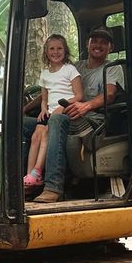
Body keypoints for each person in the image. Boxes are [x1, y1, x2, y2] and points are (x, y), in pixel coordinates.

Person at [23, 25, 125, 204]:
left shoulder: (112, 68)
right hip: (65, 114)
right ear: (88, 44)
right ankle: (26, 183)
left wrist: (85, 106)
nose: (98, 45)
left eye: (104, 42)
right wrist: (24, 109)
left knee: (56, 120)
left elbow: (109, 94)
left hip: (92, 119)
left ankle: (52, 187)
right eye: (95, 41)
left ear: (111, 47)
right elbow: (49, 90)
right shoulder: (75, 66)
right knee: (22, 124)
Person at [24, 35, 84, 187]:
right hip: (49, 112)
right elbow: (44, 97)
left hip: (64, 111)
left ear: (65, 51)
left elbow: (79, 96)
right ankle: (28, 176)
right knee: (35, 137)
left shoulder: (70, 69)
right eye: (52, 48)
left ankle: (37, 171)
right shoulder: (45, 73)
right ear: (46, 52)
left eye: (59, 48)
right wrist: (43, 109)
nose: (55, 52)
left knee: (45, 135)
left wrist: (63, 106)